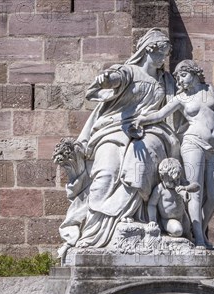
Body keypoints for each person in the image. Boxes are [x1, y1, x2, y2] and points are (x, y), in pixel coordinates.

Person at [57, 28, 180, 250]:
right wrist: (108, 79)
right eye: (159, 53)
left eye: (165, 54)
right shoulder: (129, 72)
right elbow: (115, 78)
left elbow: (185, 103)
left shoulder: (166, 80)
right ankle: (95, 232)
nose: (163, 59)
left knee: (140, 157)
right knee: (106, 171)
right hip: (114, 130)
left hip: (152, 130)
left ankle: (136, 221)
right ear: (146, 50)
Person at [133, 60, 214, 247]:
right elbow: (160, 115)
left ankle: (196, 230)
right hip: (193, 144)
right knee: (195, 191)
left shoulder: (210, 90)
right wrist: (141, 119)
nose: (180, 81)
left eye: (183, 75)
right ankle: (200, 238)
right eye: (177, 78)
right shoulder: (181, 98)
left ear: (193, 72)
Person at [147, 158, 197, 240]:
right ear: (162, 177)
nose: (175, 182)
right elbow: (152, 204)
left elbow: (197, 186)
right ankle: (166, 229)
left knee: (189, 234)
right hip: (169, 219)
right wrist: (152, 220)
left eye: (177, 179)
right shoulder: (160, 189)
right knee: (178, 230)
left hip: (183, 216)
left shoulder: (180, 183)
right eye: (171, 180)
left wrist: (186, 188)